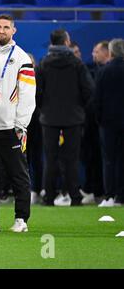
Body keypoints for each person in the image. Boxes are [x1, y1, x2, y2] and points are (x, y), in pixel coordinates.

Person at [0, 14, 35, 232]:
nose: (1, 30)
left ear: (14, 30)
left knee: (18, 174)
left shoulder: (22, 58)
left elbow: (28, 93)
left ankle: (21, 219)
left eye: (5, 27)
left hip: (11, 127)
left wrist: (21, 124)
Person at [36, 29, 94, 207]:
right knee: (72, 159)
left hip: (49, 118)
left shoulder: (44, 63)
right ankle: (75, 197)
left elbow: (36, 92)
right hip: (73, 118)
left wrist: (43, 110)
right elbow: (88, 90)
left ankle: (49, 198)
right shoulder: (77, 64)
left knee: (50, 158)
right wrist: (79, 109)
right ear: (66, 41)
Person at [93, 38, 124, 207]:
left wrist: (100, 120)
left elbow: (97, 99)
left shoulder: (104, 71)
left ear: (111, 52)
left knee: (109, 160)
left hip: (108, 124)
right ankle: (121, 197)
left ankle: (110, 196)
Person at [80, 41, 110, 204]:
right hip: (96, 123)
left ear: (106, 52)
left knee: (107, 159)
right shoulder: (93, 70)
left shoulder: (103, 72)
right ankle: (97, 190)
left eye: (96, 51)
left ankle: (106, 192)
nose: (93, 54)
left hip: (103, 123)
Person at [25, 53, 44, 205]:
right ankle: (24, 190)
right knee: (22, 158)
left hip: (36, 123)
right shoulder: (17, 80)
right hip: (21, 123)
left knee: (36, 158)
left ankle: (36, 190)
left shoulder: (39, 81)